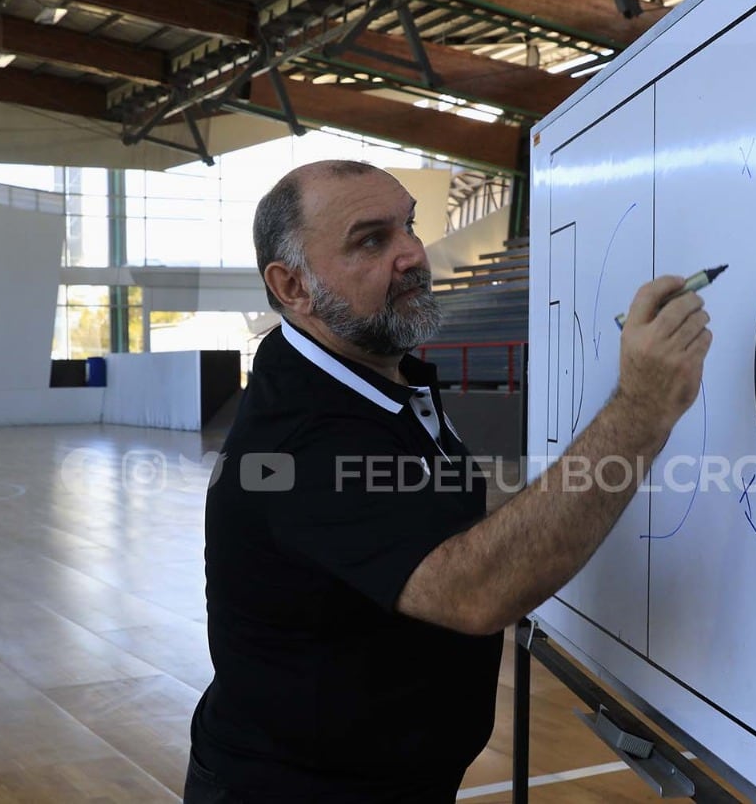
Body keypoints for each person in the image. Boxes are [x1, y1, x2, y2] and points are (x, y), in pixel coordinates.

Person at [184, 160, 711, 803]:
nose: (411, 254)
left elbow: (453, 505)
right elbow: (477, 591)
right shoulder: (296, 441)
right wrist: (640, 410)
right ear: (292, 285)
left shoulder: (378, 376)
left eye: (409, 224)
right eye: (371, 240)